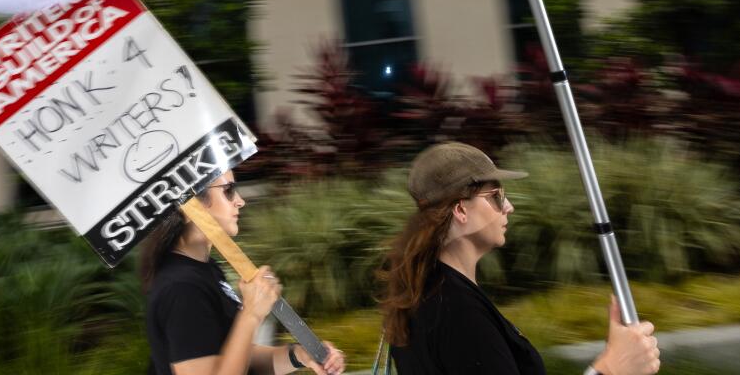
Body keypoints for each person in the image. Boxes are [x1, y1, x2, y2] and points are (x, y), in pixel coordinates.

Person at [379, 142, 660, 375]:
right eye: (497, 196)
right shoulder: (458, 313)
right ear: (461, 210)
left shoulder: (429, 292)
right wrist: (610, 368)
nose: (509, 207)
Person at [142, 168, 347, 375]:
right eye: (228, 190)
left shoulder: (205, 270)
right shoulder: (182, 289)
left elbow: (236, 360)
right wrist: (250, 314)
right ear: (190, 206)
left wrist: (299, 355)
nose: (240, 201)